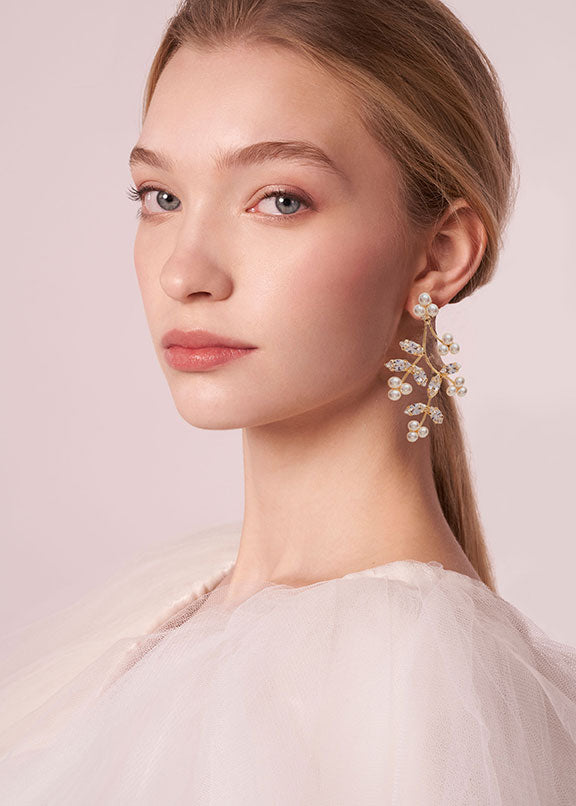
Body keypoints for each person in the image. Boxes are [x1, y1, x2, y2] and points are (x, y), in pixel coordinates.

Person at [1, 0, 575, 802]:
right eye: (160, 196)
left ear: (440, 254)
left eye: (279, 200)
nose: (184, 273)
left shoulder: (407, 687)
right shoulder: (180, 601)